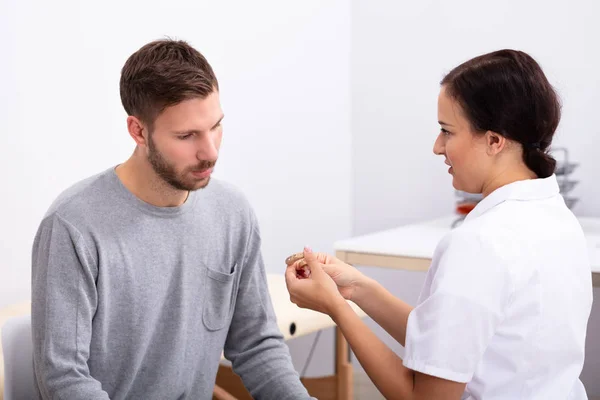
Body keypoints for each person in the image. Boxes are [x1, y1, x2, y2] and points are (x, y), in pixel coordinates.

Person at [285, 49, 593, 400]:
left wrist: (336, 309)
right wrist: (356, 288)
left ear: (494, 141)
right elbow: (448, 344)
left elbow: (422, 397)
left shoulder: (479, 244)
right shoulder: (556, 217)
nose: (436, 147)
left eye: (447, 131)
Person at [31, 38, 313, 400]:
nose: (210, 152)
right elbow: (64, 380)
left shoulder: (232, 212)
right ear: (138, 131)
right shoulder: (73, 226)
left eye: (216, 126)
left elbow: (257, 345)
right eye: (186, 136)